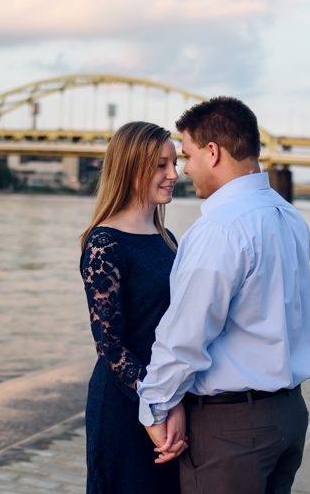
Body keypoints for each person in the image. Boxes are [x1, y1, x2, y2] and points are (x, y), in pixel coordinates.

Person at [137, 97, 310, 494]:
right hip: (288, 416)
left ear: (213, 152)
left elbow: (186, 335)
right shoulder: (290, 217)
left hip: (234, 431)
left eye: (187, 155)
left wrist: (155, 406)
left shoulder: (221, 228)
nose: (184, 170)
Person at [80, 121, 186, 494]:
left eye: (174, 163)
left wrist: (173, 399)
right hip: (128, 404)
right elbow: (110, 345)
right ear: (131, 167)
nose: (174, 174)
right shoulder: (104, 243)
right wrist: (154, 408)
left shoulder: (166, 238)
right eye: (161, 165)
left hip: (167, 396)